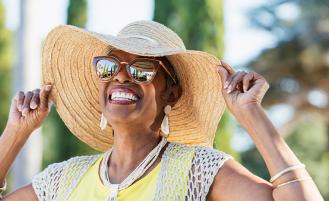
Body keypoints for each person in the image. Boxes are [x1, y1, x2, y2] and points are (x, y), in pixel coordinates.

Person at [0, 20, 324, 201]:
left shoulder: (199, 170)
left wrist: (251, 115)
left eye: (142, 69)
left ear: (171, 92)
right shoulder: (63, 180)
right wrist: (15, 135)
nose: (122, 75)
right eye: (108, 66)